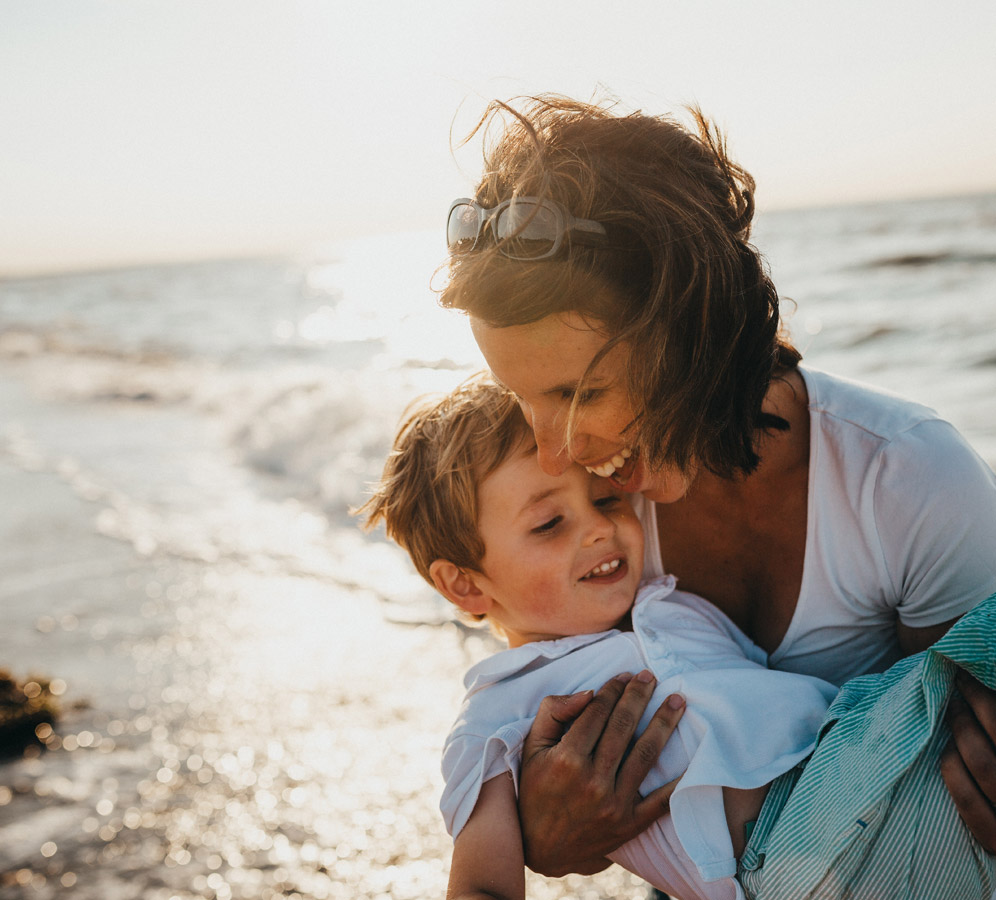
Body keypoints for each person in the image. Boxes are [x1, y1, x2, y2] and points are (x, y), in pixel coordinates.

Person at [438, 95, 996, 884]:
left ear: (692, 334)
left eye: (579, 394)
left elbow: (964, 741)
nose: (553, 447)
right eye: (520, 398)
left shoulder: (903, 480)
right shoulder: (594, 515)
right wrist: (549, 837)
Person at [359, 374, 996, 900]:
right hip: (789, 859)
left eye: (607, 499)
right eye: (550, 522)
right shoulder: (502, 712)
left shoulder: (674, 603)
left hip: (870, 767)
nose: (598, 529)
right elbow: (481, 888)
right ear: (466, 586)